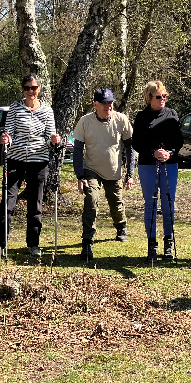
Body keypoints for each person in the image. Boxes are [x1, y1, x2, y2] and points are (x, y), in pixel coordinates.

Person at [0, 74, 59, 259]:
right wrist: (7, 138)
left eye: (34, 88)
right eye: (27, 88)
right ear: (23, 89)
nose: (30, 91)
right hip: (15, 160)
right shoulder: (15, 108)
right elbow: (9, 131)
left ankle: (33, 244)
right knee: (8, 202)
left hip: (39, 161)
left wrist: (53, 140)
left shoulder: (47, 111)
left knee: (35, 205)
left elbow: (50, 136)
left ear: (39, 89)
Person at [73, 88, 136, 262]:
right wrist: (80, 176)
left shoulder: (121, 119)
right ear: (95, 104)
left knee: (116, 203)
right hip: (91, 169)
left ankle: (121, 226)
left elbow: (131, 147)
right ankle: (87, 241)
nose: (108, 106)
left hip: (113, 170)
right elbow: (77, 151)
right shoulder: (85, 122)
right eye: (104, 103)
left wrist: (130, 173)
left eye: (110, 103)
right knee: (91, 200)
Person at [132, 81, 183, 262]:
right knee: (150, 205)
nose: (162, 99)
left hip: (169, 165)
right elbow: (136, 143)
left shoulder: (172, 114)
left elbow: (179, 142)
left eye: (165, 96)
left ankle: (168, 244)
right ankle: (151, 246)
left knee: (168, 204)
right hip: (148, 165)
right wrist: (153, 151)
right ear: (149, 98)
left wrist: (169, 153)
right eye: (158, 96)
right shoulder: (141, 117)